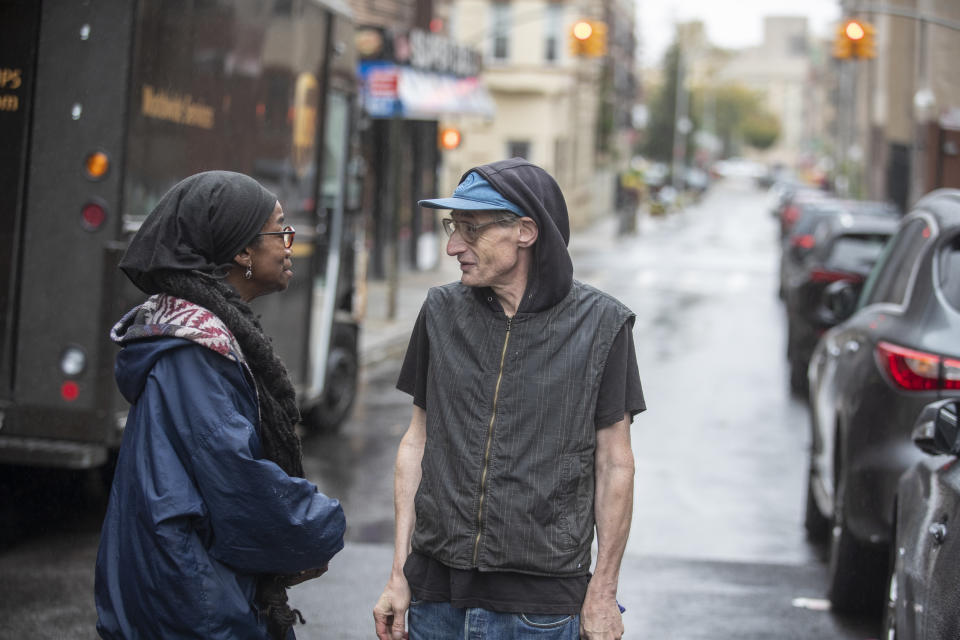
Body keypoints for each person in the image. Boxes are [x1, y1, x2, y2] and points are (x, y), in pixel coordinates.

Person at [373, 158, 644, 640]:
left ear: (525, 231)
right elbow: (417, 443)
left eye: (471, 230)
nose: (454, 246)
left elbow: (615, 464)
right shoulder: (440, 311)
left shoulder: (603, 326)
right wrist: (398, 574)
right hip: (438, 599)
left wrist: (602, 592)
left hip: (540, 610)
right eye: (452, 228)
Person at [95, 171, 345, 640]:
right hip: (193, 602)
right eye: (280, 230)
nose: (290, 244)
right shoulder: (195, 354)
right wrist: (320, 527)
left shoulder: (200, 337)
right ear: (242, 252)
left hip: (190, 590)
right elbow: (236, 478)